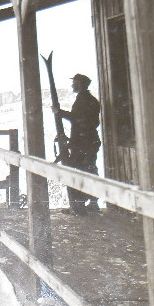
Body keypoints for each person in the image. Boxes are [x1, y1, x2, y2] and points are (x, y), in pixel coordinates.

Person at [55, 73, 101, 214]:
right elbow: (91, 123)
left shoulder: (83, 100)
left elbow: (78, 119)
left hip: (83, 144)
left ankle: (81, 205)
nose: (71, 85)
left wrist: (59, 112)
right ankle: (90, 203)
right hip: (88, 141)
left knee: (82, 171)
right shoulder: (91, 100)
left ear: (79, 84)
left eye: (74, 83)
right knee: (89, 170)